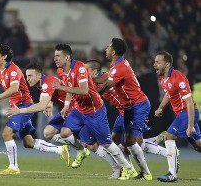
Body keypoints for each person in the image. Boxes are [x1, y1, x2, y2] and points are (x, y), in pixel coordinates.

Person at [6, 62, 127, 178]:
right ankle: (80, 149)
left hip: (78, 111)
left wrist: (20, 111)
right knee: (48, 133)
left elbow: (42, 104)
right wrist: (51, 103)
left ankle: (116, 166)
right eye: (27, 76)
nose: (28, 79)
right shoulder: (43, 83)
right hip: (67, 111)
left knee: (91, 145)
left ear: (38, 75)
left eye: (30, 76)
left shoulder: (48, 81)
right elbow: (55, 94)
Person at [0, 44, 70, 175]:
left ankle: (13, 167)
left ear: (4, 56)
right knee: (28, 142)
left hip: (24, 106)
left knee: (6, 133)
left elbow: (14, 88)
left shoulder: (13, 70)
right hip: (17, 107)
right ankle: (60, 150)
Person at [52, 43, 137, 180]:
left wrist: (61, 88)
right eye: (54, 56)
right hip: (79, 111)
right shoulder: (61, 71)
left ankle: (128, 168)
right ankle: (84, 152)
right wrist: (67, 105)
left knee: (107, 143)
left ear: (67, 57)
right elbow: (70, 88)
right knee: (65, 133)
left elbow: (84, 90)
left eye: (58, 56)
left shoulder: (79, 67)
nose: (55, 58)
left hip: (94, 111)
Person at [85, 60, 167, 160]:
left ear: (94, 72)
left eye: (86, 71)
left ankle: (168, 152)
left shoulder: (107, 76)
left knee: (133, 143)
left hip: (132, 109)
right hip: (122, 112)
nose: (84, 74)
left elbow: (105, 81)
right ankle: (155, 141)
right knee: (118, 142)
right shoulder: (94, 84)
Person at [96, 38, 152, 180]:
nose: (106, 50)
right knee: (116, 140)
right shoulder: (116, 64)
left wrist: (94, 95)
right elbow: (107, 78)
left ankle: (145, 172)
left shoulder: (119, 67)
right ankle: (128, 169)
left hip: (138, 105)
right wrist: (91, 80)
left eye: (108, 47)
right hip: (128, 107)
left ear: (114, 51)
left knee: (130, 140)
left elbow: (108, 84)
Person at [154, 51, 201, 182]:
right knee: (198, 145)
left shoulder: (178, 78)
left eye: (158, 62)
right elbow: (169, 94)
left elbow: (190, 103)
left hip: (187, 112)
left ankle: (172, 174)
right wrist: (160, 107)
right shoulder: (163, 77)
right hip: (182, 114)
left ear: (167, 64)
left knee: (168, 137)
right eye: (155, 61)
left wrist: (190, 125)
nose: (154, 64)